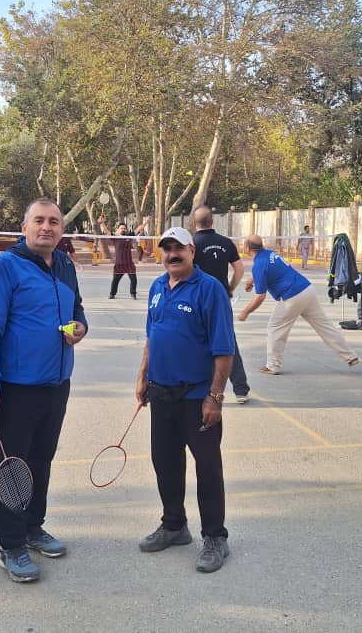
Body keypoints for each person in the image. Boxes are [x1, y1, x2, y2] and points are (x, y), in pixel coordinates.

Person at [0, 198, 88, 583]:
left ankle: (32, 527)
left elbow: (77, 309)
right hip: (16, 388)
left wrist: (80, 327)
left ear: (61, 229)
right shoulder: (5, 266)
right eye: (39, 220)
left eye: (54, 221)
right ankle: (11, 544)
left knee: (41, 459)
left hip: (56, 385)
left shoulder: (65, 264)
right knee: (12, 467)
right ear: (23, 228)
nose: (46, 227)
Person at [135, 226, 235, 573]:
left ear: (193, 251)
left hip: (197, 397)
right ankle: (174, 526)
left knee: (207, 467)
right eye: (166, 249)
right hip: (161, 394)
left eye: (179, 248)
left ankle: (215, 537)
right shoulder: (157, 287)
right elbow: (152, 336)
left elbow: (224, 349)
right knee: (165, 462)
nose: (172, 254)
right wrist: (143, 375)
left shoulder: (210, 289)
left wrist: (215, 398)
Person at [237, 234, 359, 374]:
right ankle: (350, 356)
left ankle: (273, 366)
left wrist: (245, 312)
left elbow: (260, 297)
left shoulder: (259, 264)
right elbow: (266, 270)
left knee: (275, 327)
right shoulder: (270, 254)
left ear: (247, 247)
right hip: (307, 290)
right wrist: (250, 280)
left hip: (292, 296)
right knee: (325, 326)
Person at [191, 205, 251, 404]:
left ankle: (197, 388)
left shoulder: (192, 244)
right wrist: (229, 289)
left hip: (197, 298)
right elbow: (239, 270)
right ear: (213, 221)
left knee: (195, 339)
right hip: (221, 298)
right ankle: (241, 390)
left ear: (194, 223)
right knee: (227, 341)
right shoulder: (226, 242)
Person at [100, 216, 149, 299]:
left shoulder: (129, 236)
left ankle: (133, 294)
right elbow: (107, 231)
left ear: (126, 230)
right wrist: (102, 223)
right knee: (115, 280)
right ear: (118, 230)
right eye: (121, 228)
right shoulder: (115, 237)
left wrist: (146, 222)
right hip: (119, 264)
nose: (123, 229)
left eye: (124, 228)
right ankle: (112, 294)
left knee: (133, 279)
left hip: (129, 264)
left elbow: (138, 229)